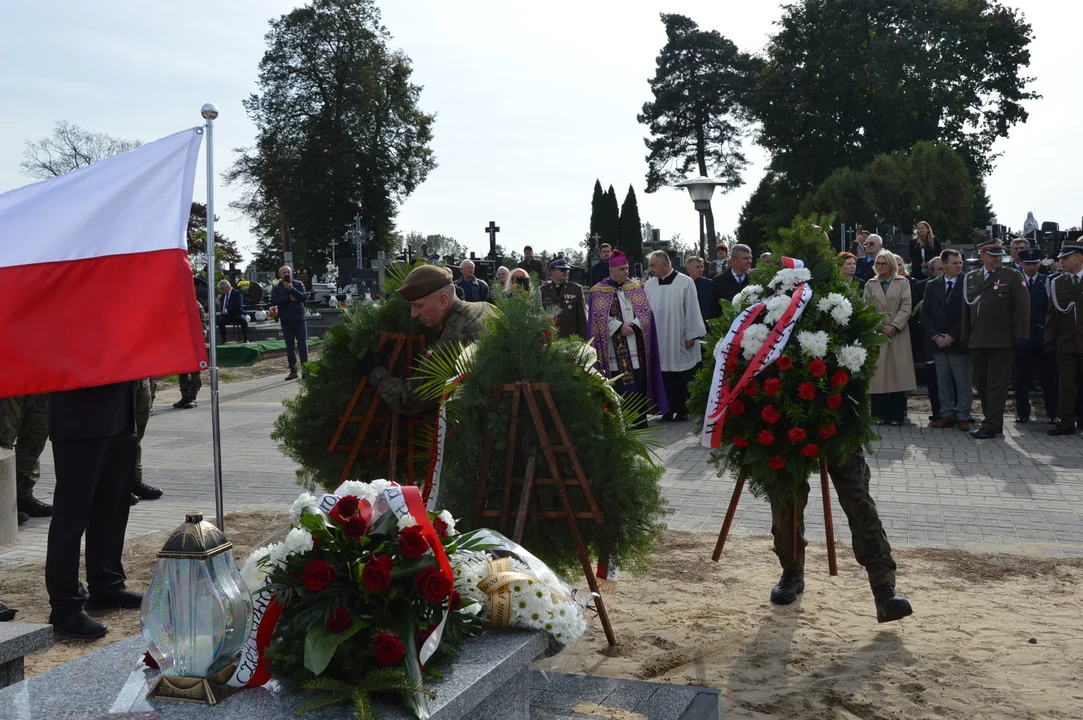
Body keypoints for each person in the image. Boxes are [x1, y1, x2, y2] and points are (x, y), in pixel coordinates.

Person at [769, 448, 912, 623]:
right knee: (785, 503)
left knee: (860, 504)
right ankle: (792, 570)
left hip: (839, 430)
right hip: (786, 432)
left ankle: (883, 589)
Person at [47, 381, 141, 639]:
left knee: (112, 507)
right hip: (80, 415)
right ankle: (66, 604)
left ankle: (106, 583)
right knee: (71, 515)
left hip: (121, 408)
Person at [365, 265, 497, 416]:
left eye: (419, 306)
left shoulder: (449, 344)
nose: (414, 314)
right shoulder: (485, 308)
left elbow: (408, 400)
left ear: (443, 300)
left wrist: (376, 372)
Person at [587, 250, 668, 421]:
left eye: (627, 268)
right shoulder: (598, 290)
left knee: (638, 380)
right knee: (619, 382)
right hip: (613, 346)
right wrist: (618, 327)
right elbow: (597, 317)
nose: (626, 272)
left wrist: (633, 325)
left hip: (634, 342)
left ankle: (640, 420)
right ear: (612, 271)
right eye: (622, 269)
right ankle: (620, 420)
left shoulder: (636, 288)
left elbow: (646, 312)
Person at [962, 242, 1030, 440]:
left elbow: (1023, 308)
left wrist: (1021, 335)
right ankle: (994, 422)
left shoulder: (1011, 276)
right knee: (981, 384)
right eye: (993, 255)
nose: (997, 259)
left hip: (1002, 340)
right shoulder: (971, 277)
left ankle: (991, 425)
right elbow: (966, 309)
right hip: (977, 339)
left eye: (1000, 255)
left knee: (997, 385)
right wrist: (965, 336)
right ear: (982, 256)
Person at [644, 251, 706, 421]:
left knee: (681, 374)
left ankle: (682, 409)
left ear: (665, 264)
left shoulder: (685, 282)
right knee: (662, 374)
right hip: (658, 338)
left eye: (653, 265)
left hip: (679, 336)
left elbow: (692, 309)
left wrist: (691, 335)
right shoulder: (649, 285)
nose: (651, 269)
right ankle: (665, 409)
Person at [921, 250, 972, 431]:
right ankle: (947, 414)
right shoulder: (932, 285)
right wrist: (936, 336)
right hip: (938, 343)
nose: (959, 265)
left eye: (960, 262)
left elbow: (969, 313)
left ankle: (964, 415)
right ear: (944, 265)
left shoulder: (968, 283)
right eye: (955, 263)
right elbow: (925, 313)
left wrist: (952, 335)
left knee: (962, 380)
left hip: (958, 342)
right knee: (942, 381)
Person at [864, 251, 916, 425]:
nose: (880, 266)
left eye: (883, 263)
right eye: (877, 263)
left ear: (891, 265)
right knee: (878, 374)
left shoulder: (903, 283)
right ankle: (878, 414)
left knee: (897, 372)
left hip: (898, 332)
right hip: (878, 332)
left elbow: (906, 307)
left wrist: (894, 326)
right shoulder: (870, 284)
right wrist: (880, 325)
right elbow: (866, 308)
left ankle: (896, 414)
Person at [1015, 249, 1058, 424]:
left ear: (1040, 264)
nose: (1031, 267)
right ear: (1021, 265)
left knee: (1048, 379)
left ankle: (1053, 413)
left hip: (1041, 337)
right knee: (1021, 379)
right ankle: (1022, 412)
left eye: (1035, 264)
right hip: (1022, 338)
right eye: (1028, 264)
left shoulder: (1047, 281)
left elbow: (1051, 310)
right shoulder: (1016, 282)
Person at [1045, 245, 1083, 436]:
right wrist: (1049, 340)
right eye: (1061, 258)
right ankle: (1066, 421)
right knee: (1066, 383)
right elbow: (1052, 314)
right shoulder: (1058, 282)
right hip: (1066, 342)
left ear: (1079, 258)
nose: (1062, 262)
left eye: (1066, 258)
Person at [0, 393, 52, 524]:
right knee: (4, 437)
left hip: (37, 377)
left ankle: (22, 495)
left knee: (37, 432)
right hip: (6, 378)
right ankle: (3, 503)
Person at [270, 266, 309, 381]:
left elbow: (303, 297)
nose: (286, 274)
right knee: (289, 346)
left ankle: (306, 370)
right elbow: (274, 300)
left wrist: (292, 289)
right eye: (284, 272)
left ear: (292, 273)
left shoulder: (298, 284)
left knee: (302, 345)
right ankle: (293, 370)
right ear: (280, 275)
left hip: (299, 319)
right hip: (286, 320)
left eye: (288, 272)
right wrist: (289, 297)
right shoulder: (277, 287)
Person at [131, 378, 163, 503]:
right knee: (122, 435)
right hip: (120, 380)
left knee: (137, 435)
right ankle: (118, 487)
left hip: (141, 379)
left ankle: (135, 482)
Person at [540, 258, 588, 339]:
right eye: (562, 270)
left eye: (567, 270)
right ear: (553, 272)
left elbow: (582, 317)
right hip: (550, 339)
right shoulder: (543, 291)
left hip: (571, 339)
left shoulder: (576, 289)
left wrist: (584, 340)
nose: (566, 272)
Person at [174, 299, 207, 410]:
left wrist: (199, 340)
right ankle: (184, 396)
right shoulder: (176, 303)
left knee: (194, 371)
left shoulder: (196, 304)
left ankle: (192, 396)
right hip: (180, 340)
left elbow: (202, 324)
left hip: (193, 341)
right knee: (182, 371)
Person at [685, 256, 716, 321]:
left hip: (704, 321)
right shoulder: (682, 284)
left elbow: (712, 306)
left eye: (702, 267)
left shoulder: (710, 284)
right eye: (697, 267)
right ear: (688, 269)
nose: (701, 269)